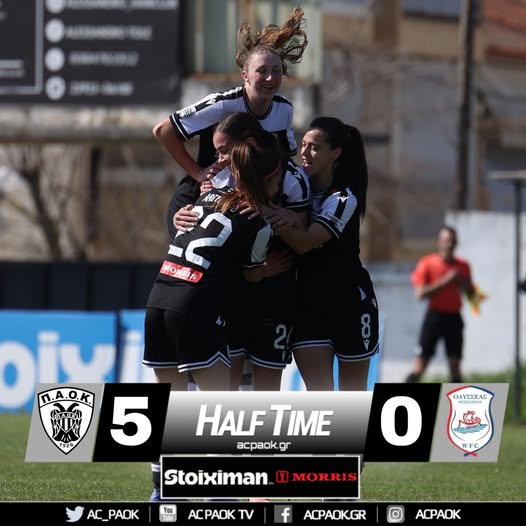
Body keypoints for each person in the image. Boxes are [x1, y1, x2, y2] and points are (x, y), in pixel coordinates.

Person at [143, 134, 283, 501]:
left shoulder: (208, 197)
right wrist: (268, 270)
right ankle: (222, 497)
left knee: (170, 406)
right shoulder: (259, 223)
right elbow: (251, 275)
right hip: (194, 307)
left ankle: (164, 494)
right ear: (272, 175)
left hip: (158, 299)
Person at [174, 112, 311, 391]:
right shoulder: (220, 179)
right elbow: (208, 230)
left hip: (276, 294)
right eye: (217, 152)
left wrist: (286, 217)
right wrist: (182, 218)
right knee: (227, 387)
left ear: (248, 145)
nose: (220, 159)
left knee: (266, 390)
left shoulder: (292, 177)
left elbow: (304, 230)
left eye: (225, 151)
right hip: (235, 290)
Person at [152, 6, 308, 240]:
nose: (270, 77)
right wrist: (198, 173)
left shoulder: (283, 109)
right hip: (202, 193)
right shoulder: (222, 105)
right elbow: (163, 130)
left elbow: (284, 159)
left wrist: (285, 209)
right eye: (262, 70)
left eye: (276, 70)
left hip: (245, 197)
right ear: (245, 76)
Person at [265, 117, 380, 392]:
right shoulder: (291, 186)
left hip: (350, 303)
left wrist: (271, 215)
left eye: (315, 147)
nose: (305, 153)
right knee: (320, 399)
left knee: (353, 398)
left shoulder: (343, 198)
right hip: (307, 305)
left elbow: (305, 243)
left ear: (335, 153)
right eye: (303, 144)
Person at [405, 225, 475, 384]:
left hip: (454, 317)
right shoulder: (427, 263)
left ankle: (457, 399)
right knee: (420, 365)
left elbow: (471, 294)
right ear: (439, 241)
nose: (449, 244)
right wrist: (446, 281)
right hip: (434, 317)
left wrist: (463, 284)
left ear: (456, 243)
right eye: (446, 240)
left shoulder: (463, 266)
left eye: (452, 241)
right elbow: (420, 293)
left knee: (455, 367)